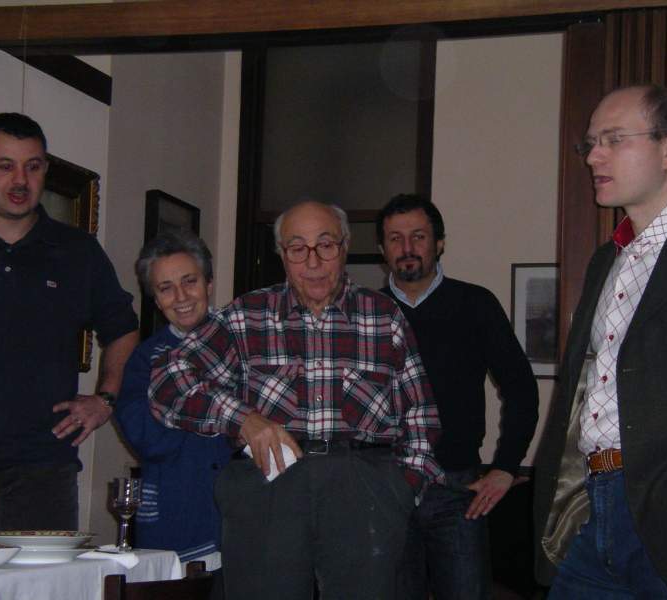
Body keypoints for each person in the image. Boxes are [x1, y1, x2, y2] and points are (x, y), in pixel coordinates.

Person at [149, 200, 443, 600]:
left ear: (344, 246)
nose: (313, 262)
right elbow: (167, 382)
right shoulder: (246, 316)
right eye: (297, 248)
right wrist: (242, 419)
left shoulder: (383, 315)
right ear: (282, 255)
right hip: (268, 490)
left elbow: (421, 414)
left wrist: (401, 491)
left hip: (365, 492)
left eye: (326, 245)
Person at [534, 84, 667, 598]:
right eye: (591, 143)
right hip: (589, 506)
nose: (593, 156)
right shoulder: (607, 260)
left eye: (614, 139)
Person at [0, 113, 139, 530]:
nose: (20, 180)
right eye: (6, 166)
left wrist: (105, 401)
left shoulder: (78, 252)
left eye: (33, 166)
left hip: (42, 473)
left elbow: (124, 330)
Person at [377, 194, 539, 600]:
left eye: (418, 236)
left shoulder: (475, 304)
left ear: (440, 243)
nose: (407, 248)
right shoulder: (367, 312)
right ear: (382, 249)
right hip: (383, 490)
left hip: (457, 492)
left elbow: (520, 387)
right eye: (395, 238)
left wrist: (506, 466)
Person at [116, 231, 231, 564]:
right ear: (156, 299)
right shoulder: (146, 360)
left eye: (189, 281)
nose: (181, 297)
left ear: (209, 284)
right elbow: (149, 439)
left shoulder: (245, 343)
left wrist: (180, 406)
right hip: (176, 514)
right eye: (166, 288)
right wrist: (216, 411)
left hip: (243, 515)